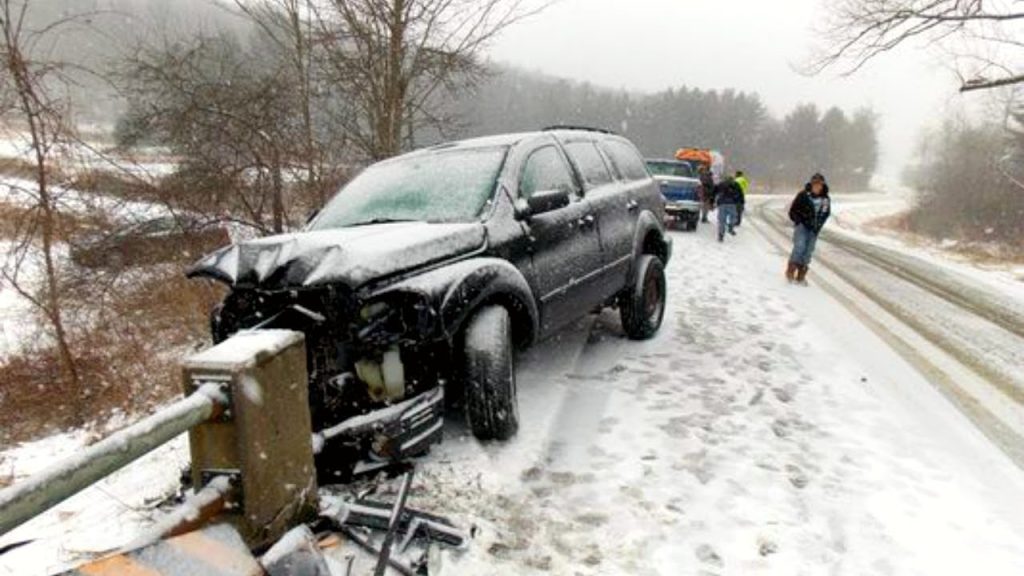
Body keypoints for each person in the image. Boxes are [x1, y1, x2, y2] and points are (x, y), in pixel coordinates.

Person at [786, 173, 832, 285]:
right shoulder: (803, 195)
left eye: (819, 185)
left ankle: (801, 274)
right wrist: (799, 221)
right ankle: (791, 270)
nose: (817, 187)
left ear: (822, 185)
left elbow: (826, 213)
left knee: (808, 251)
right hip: (802, 226)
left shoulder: (826, 199)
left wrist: (819, 225)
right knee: (799, 246)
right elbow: (793, 210)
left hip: (814, 229)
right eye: (815, 184)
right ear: (811, 184)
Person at [713, 175, 744, 243]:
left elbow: (715, 190)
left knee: (722, 221)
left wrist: (712, 200)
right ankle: (730, 227)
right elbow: (741, 194)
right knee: (733, 217)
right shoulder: (736, 184)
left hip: (722, 204)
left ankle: (721, 235)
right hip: (732, 204)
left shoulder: (721, 184)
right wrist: (741, 202)